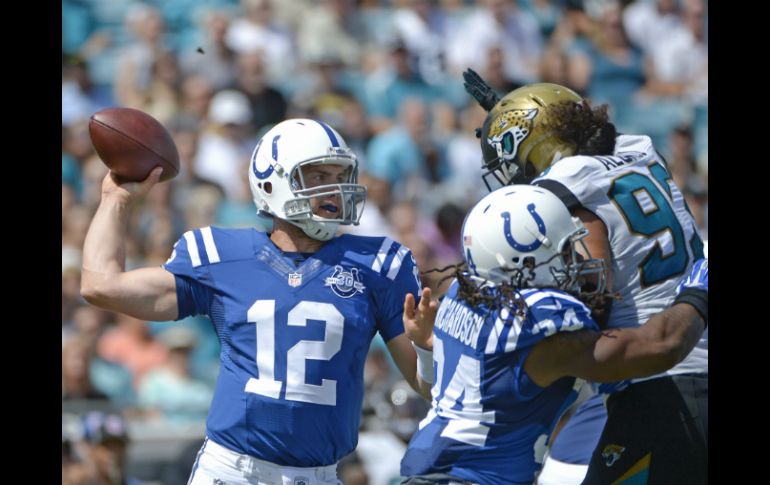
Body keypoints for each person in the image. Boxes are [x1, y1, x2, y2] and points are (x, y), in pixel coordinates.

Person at [81, 119, 433, 485]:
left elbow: (430, 386)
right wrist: (116, 197)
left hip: (318, 476)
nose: (334, 189)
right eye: (316, 176)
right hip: (231, 473)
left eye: (339, 174)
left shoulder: (380, 265)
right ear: (272, 182)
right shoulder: (222, 256)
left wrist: (425, 347)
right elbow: (100, 285)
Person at [463, 73, 707, 483]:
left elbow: (596, 295)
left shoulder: (567, 186)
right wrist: (521, 110)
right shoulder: (639, 148)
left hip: (662, 387)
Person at [399, 185, 708, 485]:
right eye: (564, 251)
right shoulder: (540, 330)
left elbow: (434, 392)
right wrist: (697, 295)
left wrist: (427, 350)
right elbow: (661, 346)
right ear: (522, 263)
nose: (577, 260)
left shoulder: (463, 295)